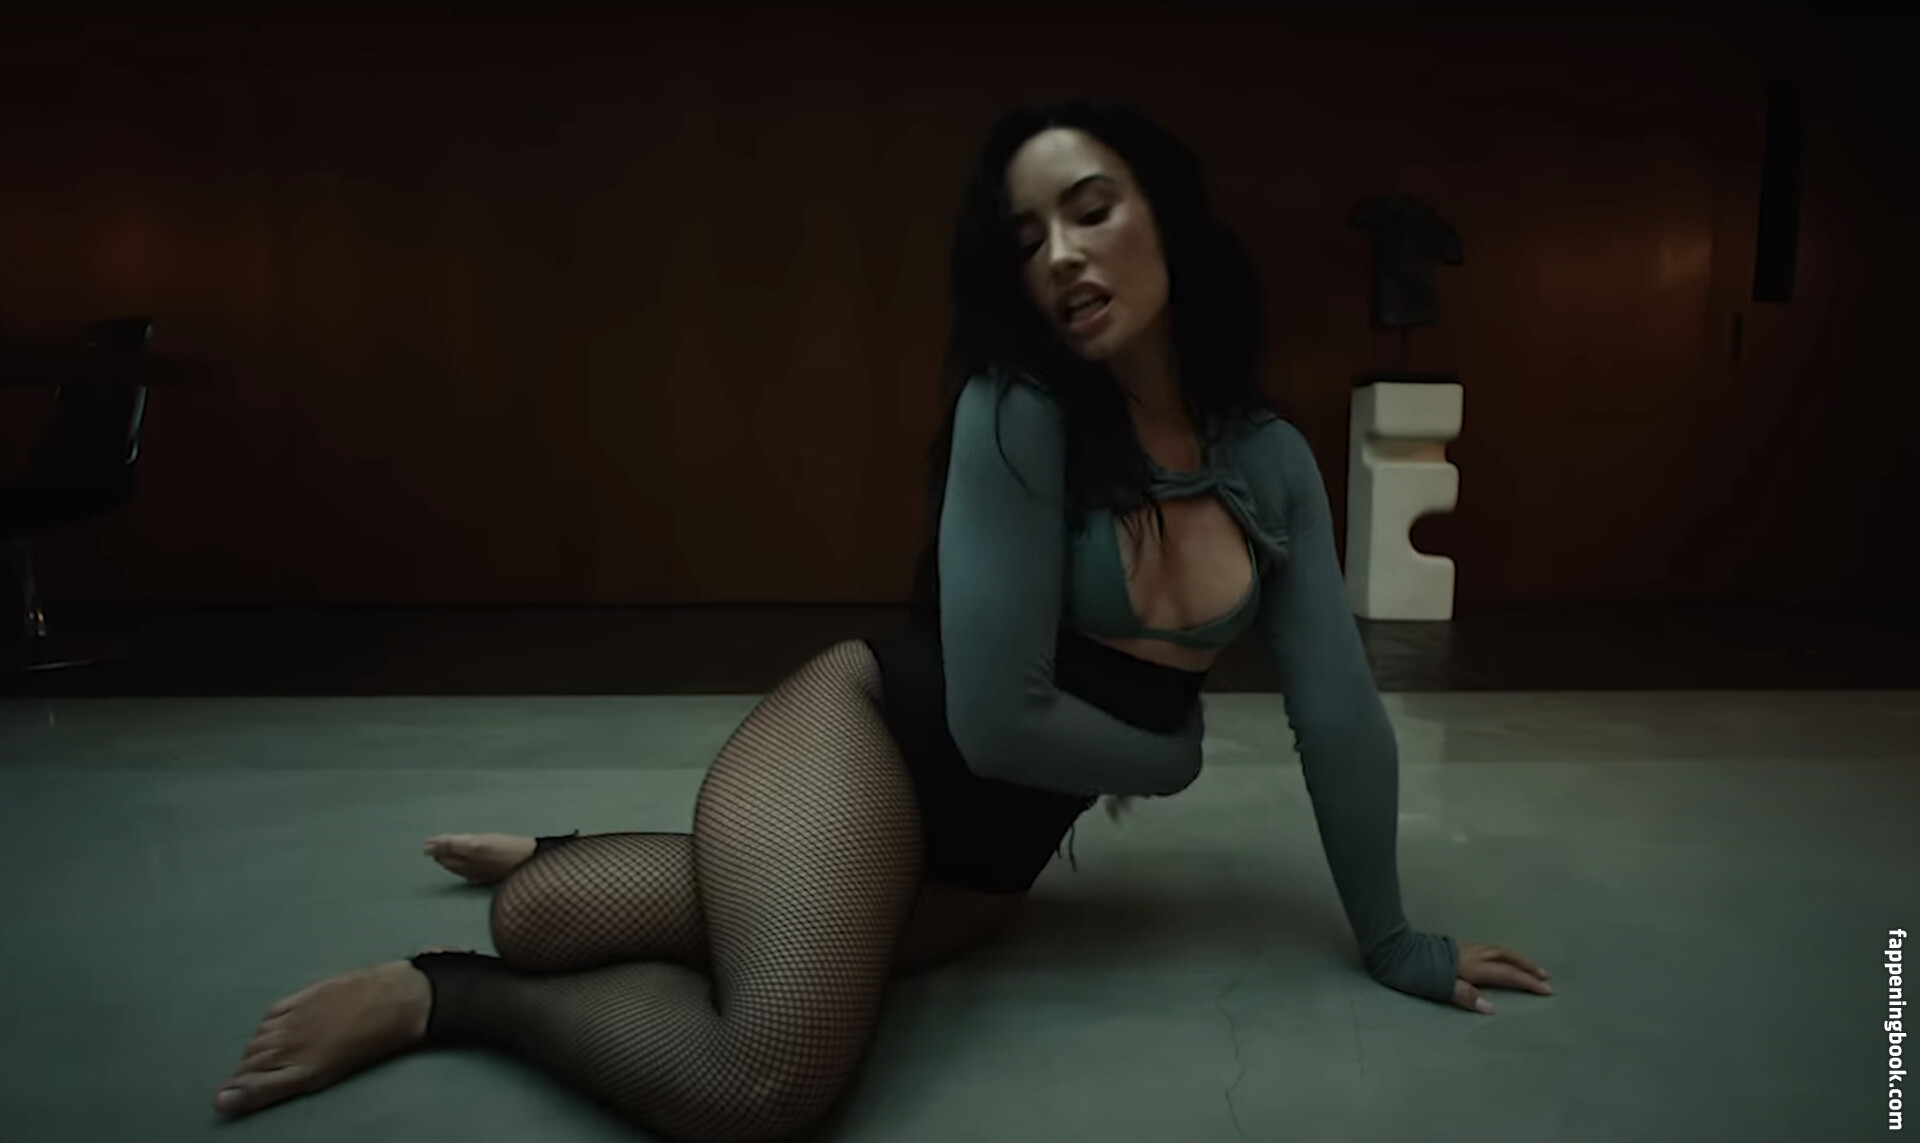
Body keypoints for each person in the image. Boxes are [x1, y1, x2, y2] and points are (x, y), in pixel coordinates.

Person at [213, 97, 1551, 1141]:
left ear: (1173, 219)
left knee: (554, 907)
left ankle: (566, 855)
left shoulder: (1270, 460)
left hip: (977, 877)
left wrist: (1391, 937)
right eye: (1027, 239)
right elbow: (998, 717)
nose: (1062, 255)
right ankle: (443, 997)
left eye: (1091, 209)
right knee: (760, 1079)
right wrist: (1172, 760)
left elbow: (1337, 709)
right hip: (867, 747)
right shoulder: (1018, 412)